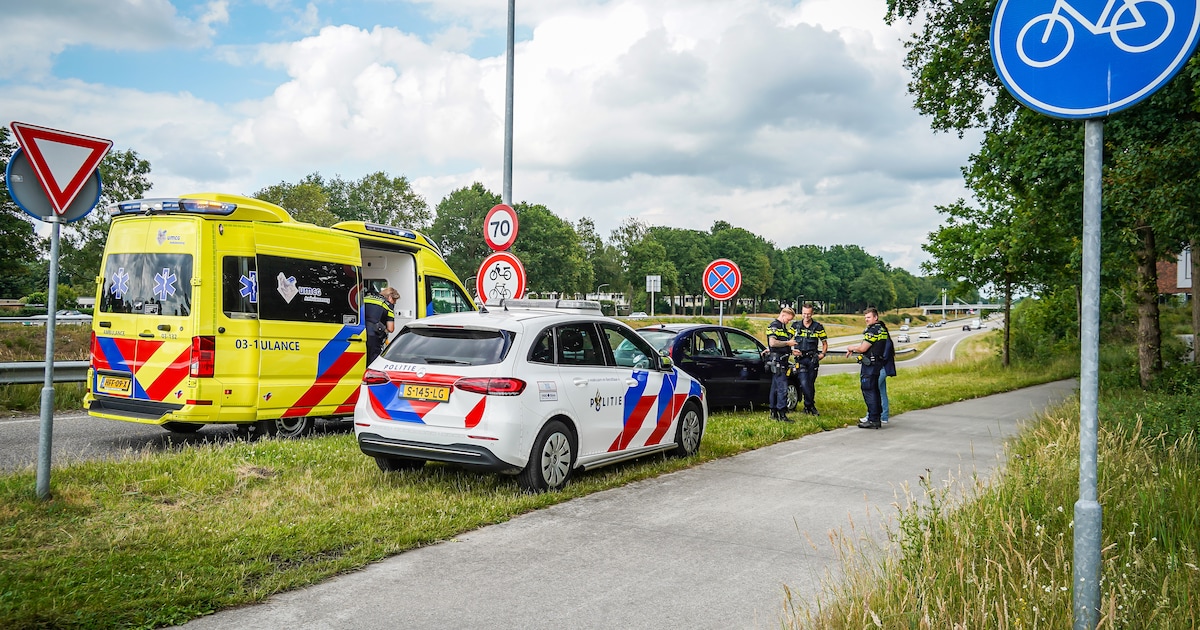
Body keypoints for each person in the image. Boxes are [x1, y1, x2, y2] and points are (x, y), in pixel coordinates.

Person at [844, 307, 888, 429]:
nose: (866, 320)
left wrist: (851, 348)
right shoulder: (882, 329)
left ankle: (873, 419)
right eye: (865, 317)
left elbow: (863, 348)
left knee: (868, 390)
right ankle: (876, 418)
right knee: (875, 391)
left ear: (876, 317)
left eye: (868, 317)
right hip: (877, 363)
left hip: (870, 365)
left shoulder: (872, 331)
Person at [791, 305, 829, 416]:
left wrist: (822, 354)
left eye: (808, 314)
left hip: (812, 359)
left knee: (810, 384)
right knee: (804, 383)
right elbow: (787, 340)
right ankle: (810, 405)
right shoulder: (795, 326)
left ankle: (808, 407)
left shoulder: (818, 327)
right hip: (800, 359)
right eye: (804, 313)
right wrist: (791, 350)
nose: (806, 316)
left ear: (812, 314)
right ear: (801, 313)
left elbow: (824, 343)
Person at [766, 306, 798, 422]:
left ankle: (773, 412)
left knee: (775, 388)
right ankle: (782, 413)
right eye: (788, 319)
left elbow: (780, 345)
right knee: (782, 388)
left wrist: (791, 351)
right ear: (783, 314)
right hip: (778, 362)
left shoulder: (782, 328)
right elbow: (773, 343)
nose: (788, 322)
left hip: (782, 360)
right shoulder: (775, 326)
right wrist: (788, 343)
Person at [363, 284, 397, 365]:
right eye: (394, 301)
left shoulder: (365, 298)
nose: (394, 303)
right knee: (372, 362)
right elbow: (390, 328)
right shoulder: (388, 305)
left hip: (360, 333)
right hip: (373, 337)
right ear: (390, 297)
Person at [878, 321, 897, 424]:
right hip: (884, 368)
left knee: (873, 391)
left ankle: (872, 415)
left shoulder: (886, 341)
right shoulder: (886, 340)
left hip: (883, 368)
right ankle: (884, 416)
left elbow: (884, 356)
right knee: (882, 392)